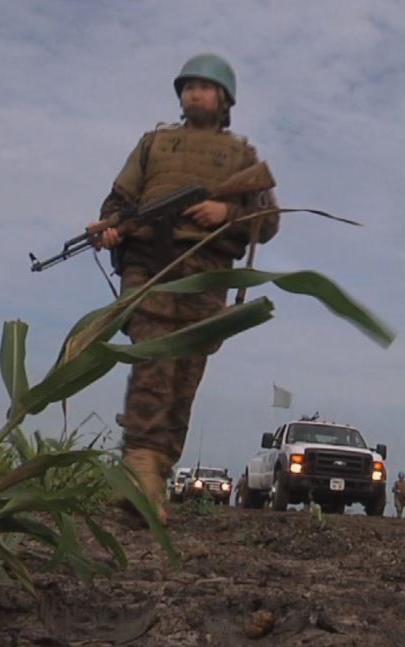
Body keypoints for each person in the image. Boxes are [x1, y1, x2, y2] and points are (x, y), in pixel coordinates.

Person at [89, 53, 280, 523]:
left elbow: (269, 221)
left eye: (205, 86)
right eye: (188, 86)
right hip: (150, 264)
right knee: (153, 361)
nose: (194, 93)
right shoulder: (155, 144)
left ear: (225, 99)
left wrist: (227, 213)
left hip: (207, 271)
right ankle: (140, 470)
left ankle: (154, 475)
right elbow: (119, 201)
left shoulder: (241, 156)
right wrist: (111, 228)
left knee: (185, 376)